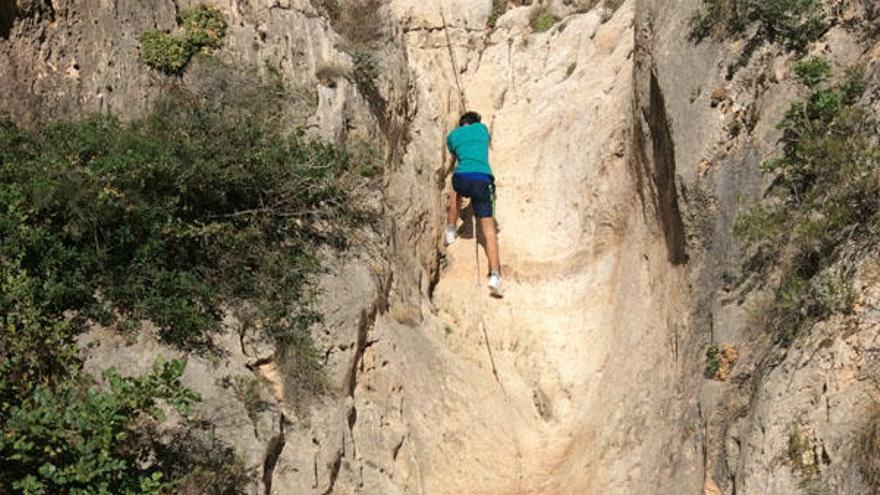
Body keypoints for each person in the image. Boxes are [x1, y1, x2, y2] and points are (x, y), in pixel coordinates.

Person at [445, 111, 502, 296]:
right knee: (489, 229)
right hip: (482, 179)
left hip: (463, 177)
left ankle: (451, 230)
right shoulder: (482, 129)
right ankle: (494, 275)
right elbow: (486, 140)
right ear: (476, 122)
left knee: (456, 192)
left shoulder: (453, 136)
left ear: (461, 123)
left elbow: (455, 156)